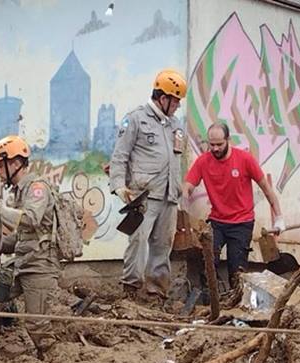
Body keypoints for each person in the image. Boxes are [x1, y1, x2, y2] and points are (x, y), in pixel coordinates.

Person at [109, 69, 186, 299]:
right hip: (144, 195)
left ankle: (156, 292)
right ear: (163, 98)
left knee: (163, 245)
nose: (178, 106)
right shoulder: (135, 119)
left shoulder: (175, 124)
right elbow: (120, 155)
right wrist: (119, 186)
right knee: (138, 241)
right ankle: (131, 289)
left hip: (169, 195)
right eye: (175, 101)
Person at [0, 135, 60, 357]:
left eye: (1, 166)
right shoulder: (19, 191)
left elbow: (30, 219)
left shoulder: (37, 188)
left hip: (39, 266)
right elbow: (21, 237)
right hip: (22, 263)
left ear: (16, 163)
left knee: (37, 325)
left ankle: (53, 360)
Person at [182, 122, 283, 285]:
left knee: (237, 272)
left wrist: (279, 217)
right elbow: (187, 187)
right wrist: (184, 209)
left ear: (228, 140)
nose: (215, 149)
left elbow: (266, 188)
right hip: (217, 222)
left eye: (219, 144)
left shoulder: (245, 159)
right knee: (207, 264)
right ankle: (208, 298)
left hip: (241, 223)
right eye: (211, 144)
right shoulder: (203, 161)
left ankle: (235, 298)